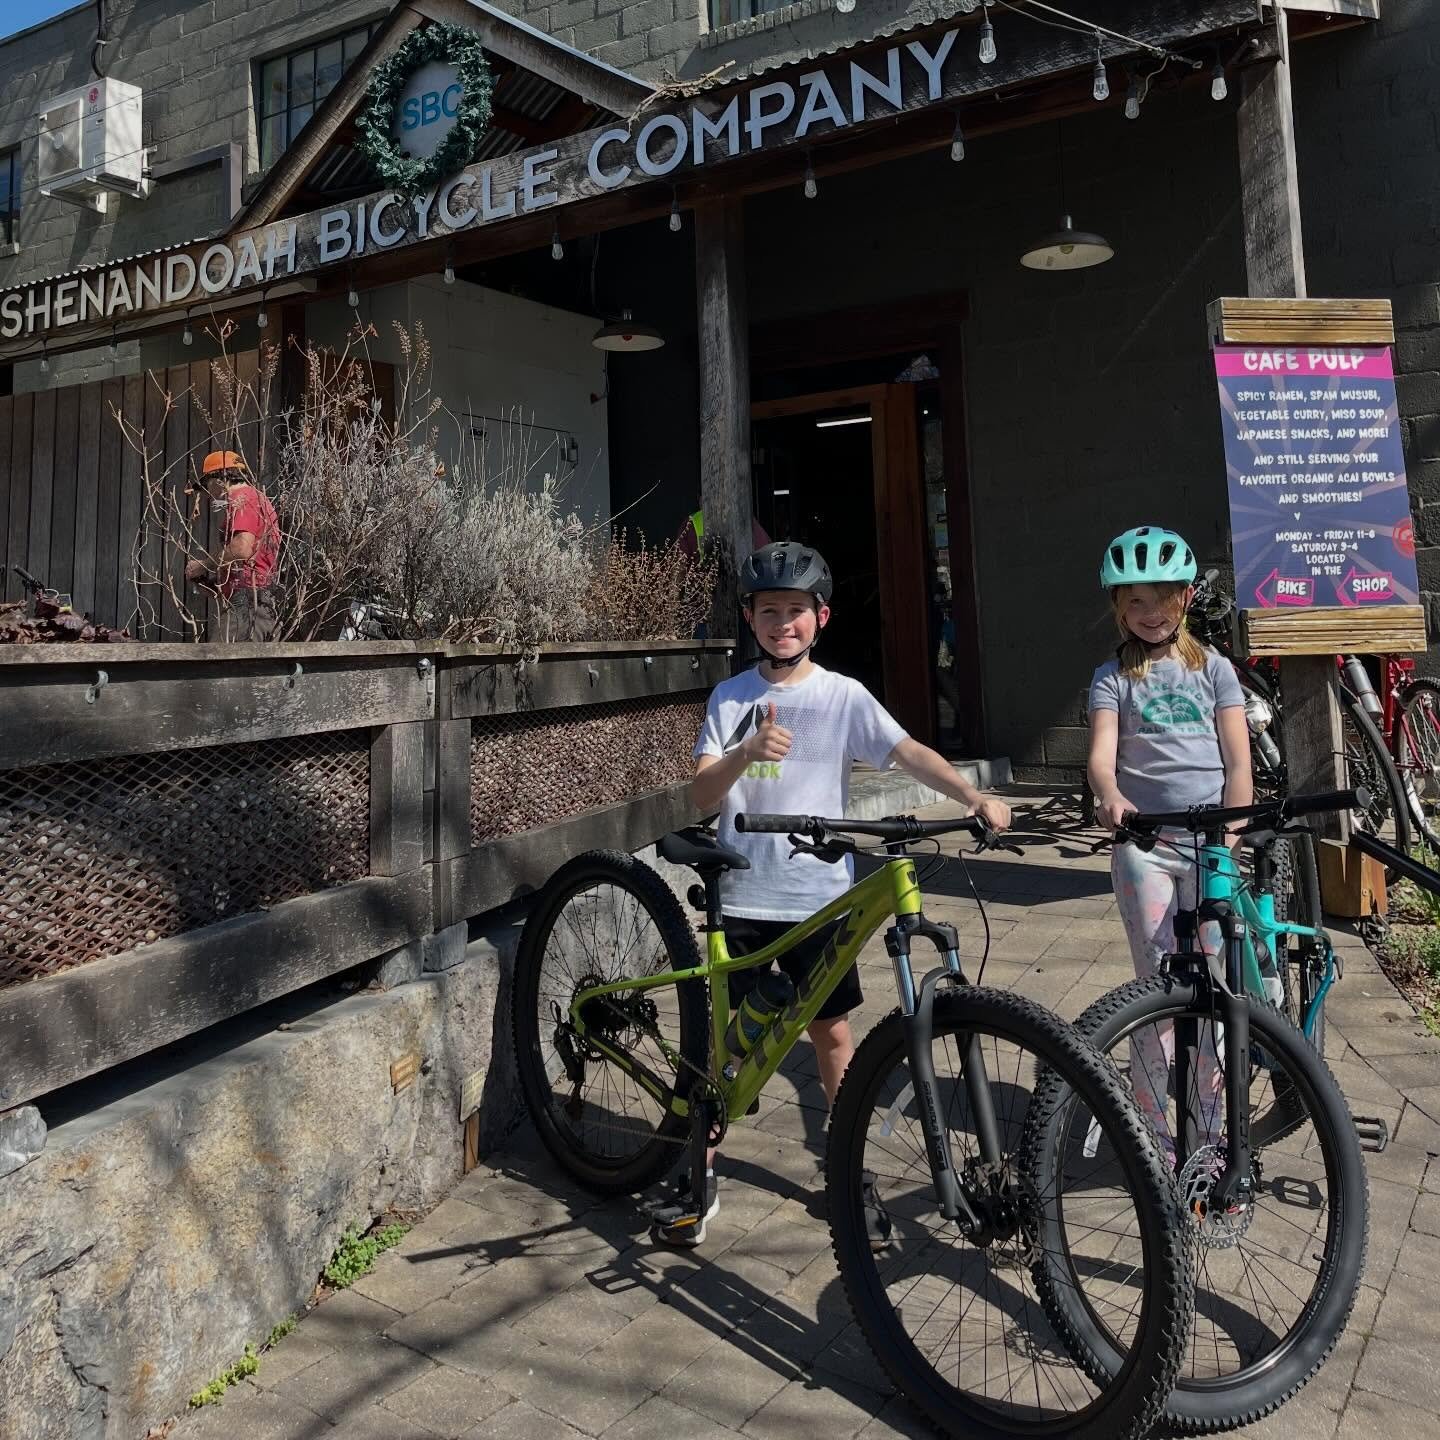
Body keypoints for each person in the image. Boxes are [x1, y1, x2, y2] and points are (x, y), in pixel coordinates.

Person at [649, 539, 1012, 1246]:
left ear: (821, 618)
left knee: (832, 1032)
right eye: (767, 610)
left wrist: (970, 792)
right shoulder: (733, 698)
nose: (782, 622)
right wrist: (745, 753)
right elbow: (700, 791)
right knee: (730, 1042)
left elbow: (905, 750)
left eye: (795, 610)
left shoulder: (842, 695)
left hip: (821, 897)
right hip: (745, 892)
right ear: (749, 618)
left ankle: (846, 1167)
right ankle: (702, 1167)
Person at [1086, 525, 1255, 1165]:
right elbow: (1103, 759)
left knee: (1215, 988)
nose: (1149, 612)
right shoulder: (1112, 678)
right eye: (1134, 600)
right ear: (1118, 607)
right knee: (1158, 989)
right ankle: (1158, 1134)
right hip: (1145, 845)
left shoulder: (1215, 671)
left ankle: (1212, 1133)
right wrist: (1112, 795)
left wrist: (1232, 832)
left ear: (1185, 598)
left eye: (1160, 597)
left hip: (1210, 845)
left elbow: (1237, 763)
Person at [184, 451, 281, 642]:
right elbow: (252, 560)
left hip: (249, 602)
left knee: (217, 666)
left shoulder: (243, 498)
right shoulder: (256, 499)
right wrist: (215, 585)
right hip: (257, 599)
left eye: (206, 485)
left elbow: (241, 549)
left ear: (219, 479)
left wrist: (202, 565)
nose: (207, 494)